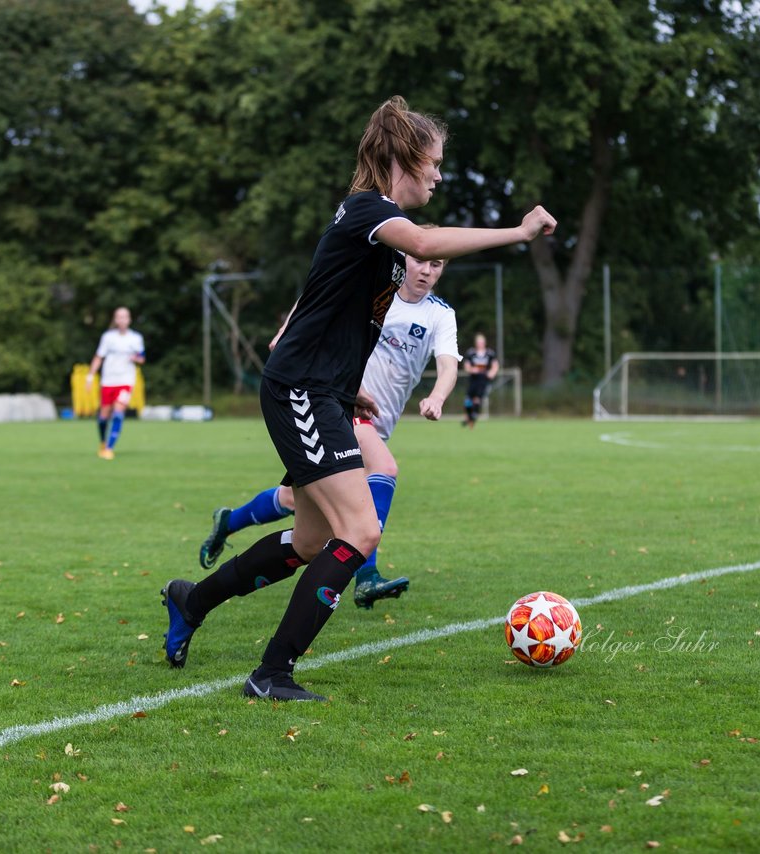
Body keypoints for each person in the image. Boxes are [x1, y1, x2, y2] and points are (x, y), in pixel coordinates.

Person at [160, 95, 555, 701]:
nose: (441, 175)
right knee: (362, 531)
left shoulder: (373, 231)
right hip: (301, 391)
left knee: (315, 542)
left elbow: (316, 306)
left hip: (327, 394)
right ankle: (271, 674)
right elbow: (423, 244)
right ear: (406, 155)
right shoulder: (369, 211)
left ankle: (193, 599)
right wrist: (520, 231)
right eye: (436, 162)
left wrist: (349, 388)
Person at [198, 249, 460, 611]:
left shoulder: (440, 314)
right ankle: (366, 576)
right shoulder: (376, 289)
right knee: (383, 469)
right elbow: (317, 294)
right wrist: (287, 330)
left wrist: (437, 396)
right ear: (405, 260)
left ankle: (229, 521)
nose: (427, 271)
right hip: (336, 404)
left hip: (376, 423)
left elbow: (448, 365)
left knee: (294, 505)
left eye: (437, 265)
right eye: (421, 261)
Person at [85, 307, 145, 460]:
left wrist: (136, 359)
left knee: (118, 414)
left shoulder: (136, 338)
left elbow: (142, 357)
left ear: (129, 319)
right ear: (115, 319)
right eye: (119, 317)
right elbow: (99, 357)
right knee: (103, 417)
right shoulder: (108, 337)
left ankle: (109, 448)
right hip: (108, 380)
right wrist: (90, 376)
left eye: (125, 317)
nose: (122, 320)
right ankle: (103, 442)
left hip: (125, 380)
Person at [462, 333, 498, 427]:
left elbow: (495, 365)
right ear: (476, 343)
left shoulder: (490, 353)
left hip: (483, 380)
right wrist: (471, 369)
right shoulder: (471, 353)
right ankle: (469, 417)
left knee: (477, 399)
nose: (480, 344)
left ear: (484, 343)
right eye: (478, 342)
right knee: (467, 400)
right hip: (473, 379)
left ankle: (473, 417)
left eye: (482, 342)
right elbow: (466, 366)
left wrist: (492, 373)